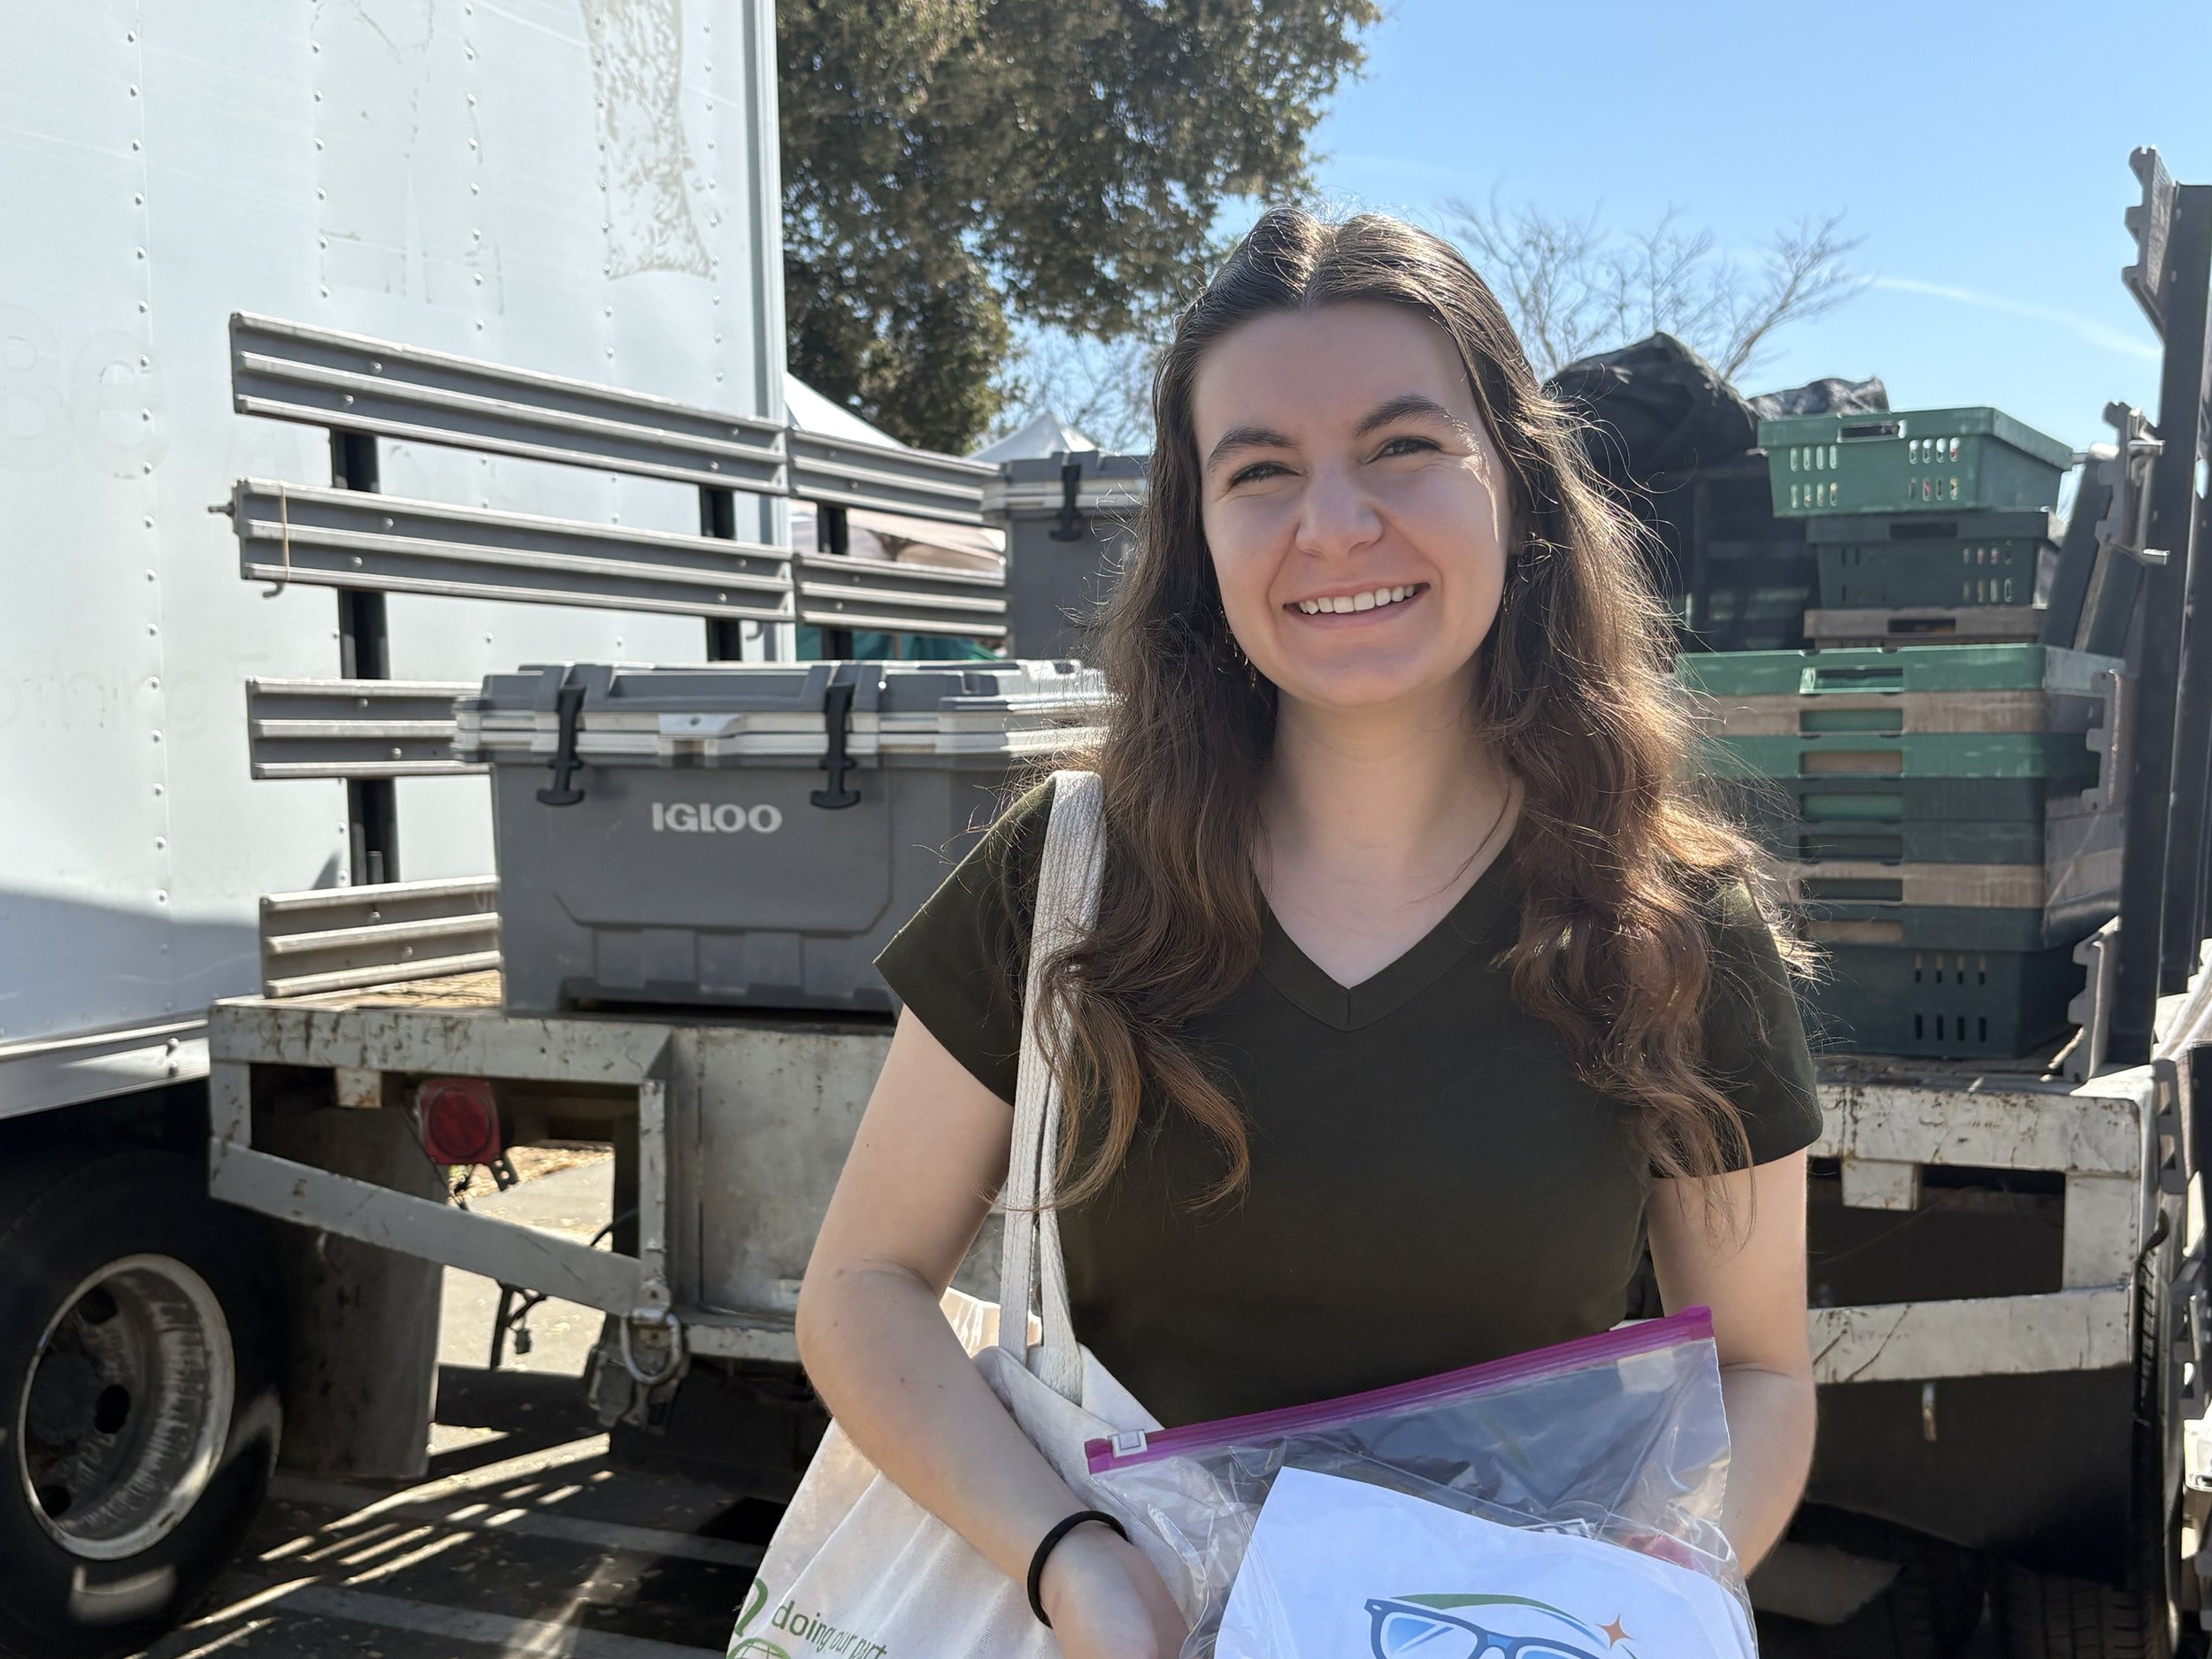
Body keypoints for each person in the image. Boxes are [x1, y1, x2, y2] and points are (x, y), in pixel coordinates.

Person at [795, 209, 1819, 1659]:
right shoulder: (1071, 878)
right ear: (1198, 529)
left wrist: (1618, 1601)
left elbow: (1763, 1373)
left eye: (1404, 446)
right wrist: (1078, 1565)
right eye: (1260, 469)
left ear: (1518, 487)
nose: (1333, 523)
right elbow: (859, 1289)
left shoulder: (1672, 929)